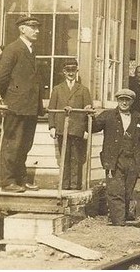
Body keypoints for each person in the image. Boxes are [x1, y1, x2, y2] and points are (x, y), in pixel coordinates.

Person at [0, 16, 44, 193]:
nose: (37, 30)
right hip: (16, 105)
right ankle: (7, 182)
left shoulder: (30, 50)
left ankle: (21, 180)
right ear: (22, 29)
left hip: (30, 107)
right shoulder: (13, 49)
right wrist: (10, 97)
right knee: (12, 144)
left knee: (24, 144)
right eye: (33, 27)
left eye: (37, 27)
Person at [92, 89, 140, 226]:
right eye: (121, 99)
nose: (124, 102)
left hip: (132, 160)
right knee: (115, 190)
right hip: (114, 160)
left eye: (127, 100)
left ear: (132, 102)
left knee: (127, 190)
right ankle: (118, 221)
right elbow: (92, 127)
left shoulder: (137, 117)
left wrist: (138, 156)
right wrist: (90, 115)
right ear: (117, 100)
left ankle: (120, 216)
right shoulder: (108, 115)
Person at [48, 59, 93, 190]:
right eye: (68, 70)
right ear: (64, 72)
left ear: (77, 71)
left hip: (77, 129)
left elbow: (88, 110)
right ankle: (64, 184)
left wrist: (85, 129)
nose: (71, 73)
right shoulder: (57, 89)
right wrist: (52, 127)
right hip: (62, 128)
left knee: (76, 158)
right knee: (64, 157)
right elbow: (51, 109)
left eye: (73, 70)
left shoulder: (83, 90)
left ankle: (74, 185)